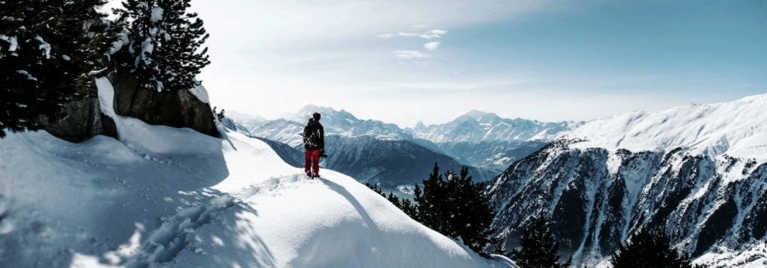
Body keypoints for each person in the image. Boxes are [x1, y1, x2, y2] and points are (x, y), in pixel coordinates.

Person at [303, 112, 325, 178]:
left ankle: (308, 172)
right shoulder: (320, 127)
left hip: (308, 146)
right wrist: (322, 148)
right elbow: (321, 138)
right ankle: (315, 173)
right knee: (315, 160)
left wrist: (305, 145)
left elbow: (304, 136)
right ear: (319, 118)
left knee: (308, 160)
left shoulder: (308, 125)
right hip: (316, 147)